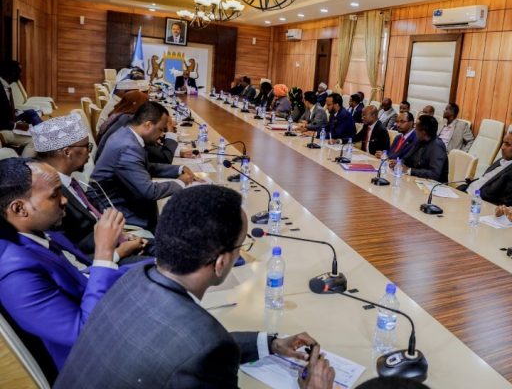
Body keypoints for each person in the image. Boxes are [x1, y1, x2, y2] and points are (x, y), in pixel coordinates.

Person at [55, 185, 335, 389]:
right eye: (241, 246)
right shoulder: (206, 346)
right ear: (220, 262)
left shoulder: (133, 277)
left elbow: (180, 345)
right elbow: (198, 348)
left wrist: (269, 343)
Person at [0, 158, 127, 374]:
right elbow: (84, 334)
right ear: (20, 208)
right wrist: (104, 252)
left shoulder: (41, 230)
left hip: (105, 314)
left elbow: (78, 277)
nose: (64, 200)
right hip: (93, 364)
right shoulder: (15, 274)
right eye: (54, 195)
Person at [32, 115, 147, 263]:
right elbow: (70, 256)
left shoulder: (69, 182)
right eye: (87, 147)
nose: (89, 153)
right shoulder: (49, 196)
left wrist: (122, 237)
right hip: (102, 262)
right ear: (67, 152)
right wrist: (120, 252)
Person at [88, 101, 199, 231]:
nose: (162, 135)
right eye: (161, 129)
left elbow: (146, 167)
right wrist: (181, 182)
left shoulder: (126, 133)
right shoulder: (128, 147)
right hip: (114, 208)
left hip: (121, 198)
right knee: (178, 217)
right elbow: (149, 192)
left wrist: (178, 169)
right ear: (148, 125)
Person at [95, 92, 193, 164]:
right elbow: (164, 158)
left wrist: (176, 152)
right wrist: (169, 130)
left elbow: (151, 152)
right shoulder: (131, 127)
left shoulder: (122, 117)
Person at [462, 131, 512, 206]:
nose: (502, 147)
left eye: (507, 144)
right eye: (503, 143)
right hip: (467, 191)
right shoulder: (503, 159)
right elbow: (486, 179)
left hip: (477, 203)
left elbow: (505, 203)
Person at [390, 115, 448, 182]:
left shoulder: (437, 146)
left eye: (416, 128)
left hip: (434, 186)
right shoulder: (419, 141)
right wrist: (398, 163)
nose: (415, 131)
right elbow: (406, 158)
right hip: (417, 181)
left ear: (423, 132)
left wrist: (409, 170)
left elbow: (434, 174)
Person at [0, 61, 39, 157]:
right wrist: (16, 125)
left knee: (30, 113)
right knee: (35, 140)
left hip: (9, 121)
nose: (21, 75)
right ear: (11, 73)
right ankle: (23, 165)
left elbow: (5, 111)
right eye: (19, 72)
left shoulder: (5, 86)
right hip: (3, 129)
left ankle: (45, 132)